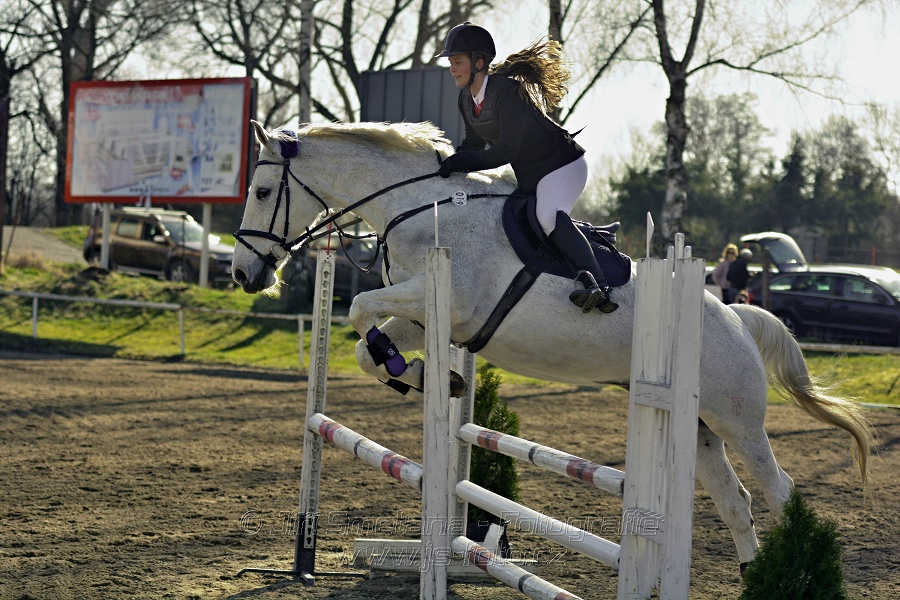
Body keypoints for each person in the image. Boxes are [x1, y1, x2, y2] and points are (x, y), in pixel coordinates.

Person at [435, 22, 617, 314]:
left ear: (479, 62)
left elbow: (505, 152)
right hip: (533, 176)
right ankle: (592, 239)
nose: (452, 69)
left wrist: (462, 162)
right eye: (451, 63)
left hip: (562, 165)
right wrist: (447, 165)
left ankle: (598, 285)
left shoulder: (506, 91)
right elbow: (473, 145)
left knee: (546, 216)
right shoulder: (466, 99)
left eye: (457, 62)